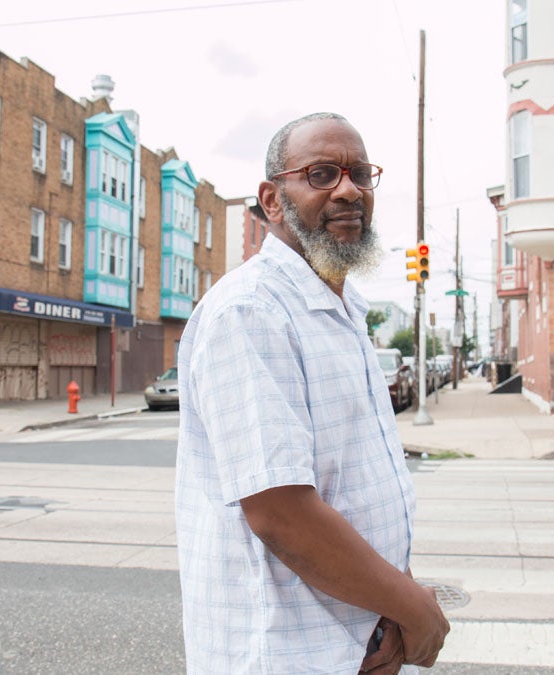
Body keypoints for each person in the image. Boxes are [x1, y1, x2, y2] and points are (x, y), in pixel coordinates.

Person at [175, 113, 450, 674]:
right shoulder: (252, 311)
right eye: (322, 174)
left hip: (350, 641)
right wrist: (414, 611)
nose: (349, 190)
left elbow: (349, 481)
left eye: (359, 175)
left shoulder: (340, 308)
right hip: (283, 650)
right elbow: (282, 514)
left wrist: (389, 605)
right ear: (272, 200)